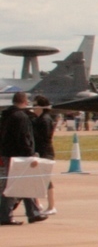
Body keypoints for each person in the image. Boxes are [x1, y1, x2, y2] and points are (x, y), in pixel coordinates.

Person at [1, 92, 45, 224]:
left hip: (6, 154)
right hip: (19, 156)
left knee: (24, 184)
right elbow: (24, 138)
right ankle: (5, 216)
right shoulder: (21, 117)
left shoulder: (5, 116)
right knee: (13, 186)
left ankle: (33, 212)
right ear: (25, 102)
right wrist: (30, 154)